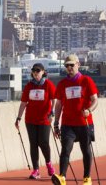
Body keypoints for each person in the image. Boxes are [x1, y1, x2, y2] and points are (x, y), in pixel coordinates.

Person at [51, 54, 99, 185]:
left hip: (84, 122)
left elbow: (95, 100)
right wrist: (56, 123)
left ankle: (87, 178)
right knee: (65, 149)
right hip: (68, 123)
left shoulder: (86, 81)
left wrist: (89, 110)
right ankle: (62, 177)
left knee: (86, 150)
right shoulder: (62, 84)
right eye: (67, 66)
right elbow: (59, 104)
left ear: (78, 64)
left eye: (72, 65)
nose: (69, 68)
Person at [15, 63, 56, 179]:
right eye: (34, 71)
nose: (36, 73)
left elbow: (54, 100)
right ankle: (36, 170)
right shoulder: (29, 86)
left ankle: (48, 163)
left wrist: (51, 112)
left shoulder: (48, 85)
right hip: (30, 120)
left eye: (38, 71)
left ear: (43, 72)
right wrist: (18, 118)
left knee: (43, 142)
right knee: (33, 144)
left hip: (44, 120)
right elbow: (23, 103)